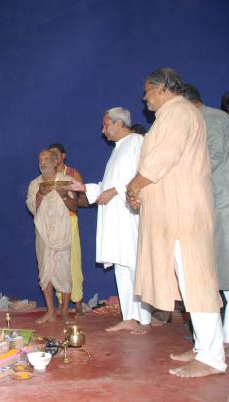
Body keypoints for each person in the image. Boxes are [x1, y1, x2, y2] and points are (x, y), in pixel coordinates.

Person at [126, 67, 225, 378]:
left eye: (147, 91)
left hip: (184, 214)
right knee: (188, 281)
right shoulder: (173, 114)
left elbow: (162, 158)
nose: (144, 97)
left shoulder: (178, 112)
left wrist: (135, 185)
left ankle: (212, 358)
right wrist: (140, 189)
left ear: (163, 88)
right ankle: (201, 347)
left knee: (197, 282)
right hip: (175, 213)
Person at [66, 107, 151, 334]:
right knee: (122, 267)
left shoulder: (137, 141)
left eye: (106, 125)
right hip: (115, 217)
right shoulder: (118, 149)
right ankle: (129, 316)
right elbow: (107, 185)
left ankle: (144, 319)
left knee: (133, 264)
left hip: (129, 214)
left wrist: (114, 191)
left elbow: (143, 176)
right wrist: (83, 187)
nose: (103, 131)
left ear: (119, 123)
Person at [183, 83, 229, 359]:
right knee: (226, 277)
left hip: (227, 204)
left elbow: (210, 159)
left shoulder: (212, 119)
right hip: (218, 204)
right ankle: (228, 338)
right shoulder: (210, 119)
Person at [26, 150, 77, 323]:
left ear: (55, 162)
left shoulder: (65, 180)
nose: (43, 163)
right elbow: (32, 209)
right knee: (44, 273)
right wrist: (40, 194)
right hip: (43, 233)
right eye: (40, 160)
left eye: (47, 159)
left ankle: (64, 311)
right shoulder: (34, 184)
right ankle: (50, 311)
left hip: (62, 233)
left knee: (64, 273)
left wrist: (64, 196)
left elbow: (74, 206)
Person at [48, 143, 84, 316]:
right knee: (55, 264)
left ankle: (77, 302)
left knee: (73, 261)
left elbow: (82, 199)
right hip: (53, 224)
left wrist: (69, 198)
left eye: (55, 153)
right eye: (50, 155)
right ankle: (62, 304)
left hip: (69, 220)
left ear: (63, 156)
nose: (52, 157)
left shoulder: (72, 174)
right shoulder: (48, 176)